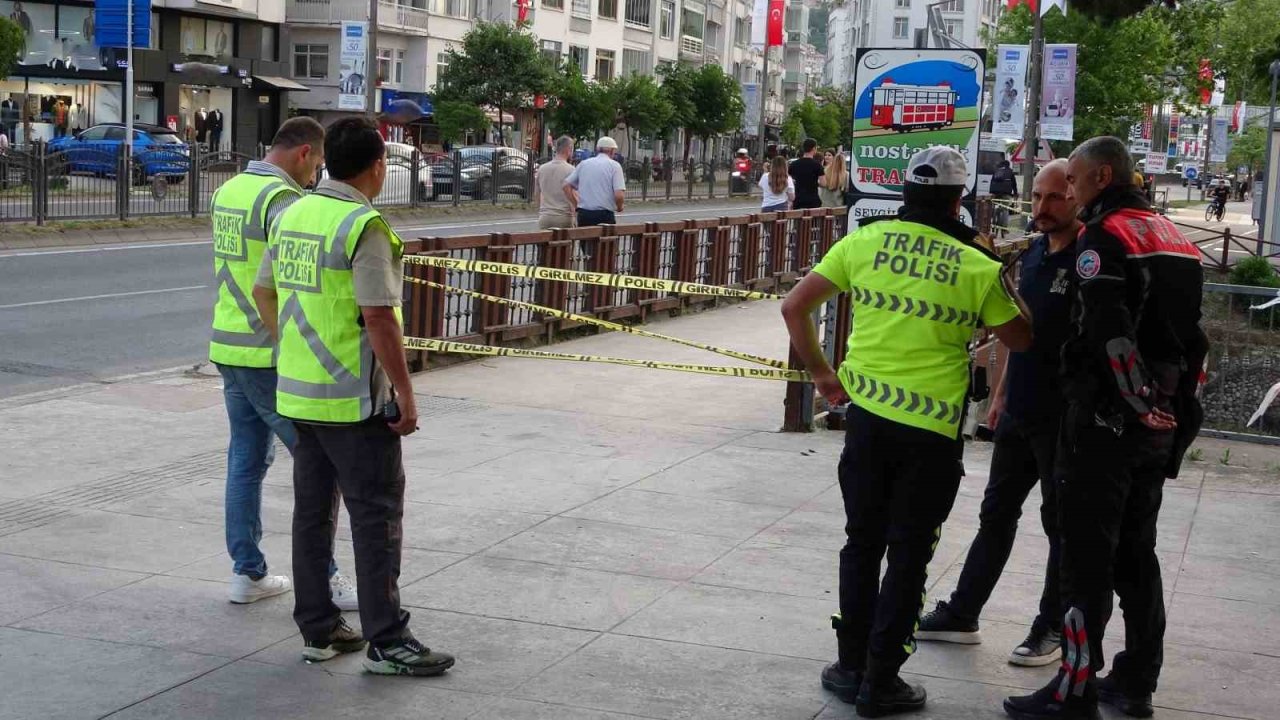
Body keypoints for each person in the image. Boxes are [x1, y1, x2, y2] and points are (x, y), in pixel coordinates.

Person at [782, 147, 1033, 718]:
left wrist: (823, 376)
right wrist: (996, 270)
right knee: (910, 554)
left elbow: (795, 307)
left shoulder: (863, 242)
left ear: (904, 193)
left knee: (862, 542)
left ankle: (849, 666)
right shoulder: (974, 263)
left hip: (867, 422)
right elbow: (1022, 339)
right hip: (931, 434)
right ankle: (881, 681)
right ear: (957, 198)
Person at [1003, 137, 1206, 720]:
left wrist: (1136, 401)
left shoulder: (1105, 235)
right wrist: (1171, 410)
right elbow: (1196, 340)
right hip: (1160, 420)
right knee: (1137, 552)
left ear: (1102, 176)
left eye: (1077, 180)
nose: (1071, 190)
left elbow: (1109, 332)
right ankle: (1137, 679)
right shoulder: (1176, 239)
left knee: (1085, 556)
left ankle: (1074, 688)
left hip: (1106, 421)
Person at [253, 117, 455, 676]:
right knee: (376, 517)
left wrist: (292, 347)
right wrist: (405, 393)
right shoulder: (364, 226)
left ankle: (319, 630)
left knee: (312, 516)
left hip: (298, 396)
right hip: (352, 402)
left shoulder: (294, 213)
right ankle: (388, 640)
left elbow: (263, 289)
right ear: (376, 167)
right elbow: (378, 317)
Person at [916, 159, 1081, 667]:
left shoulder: (1090, 260)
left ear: (1076, 197)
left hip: (1066, 416)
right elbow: (1012, 334)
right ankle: (963, 612)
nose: (1041, 208)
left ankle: (1051, 626)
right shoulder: (1030, 256)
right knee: (996, 515)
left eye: (1054, 198)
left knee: (1061, 526)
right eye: (1035, 198)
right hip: (1020, 411)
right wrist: (1000, 397)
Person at [208, 117, 356, 610]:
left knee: (245, 463)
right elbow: (287, 280)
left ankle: (247, 572)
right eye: (317, 164)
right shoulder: (282, 201)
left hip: (229, 345)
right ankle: (327, 579)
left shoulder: (228, 190)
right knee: (319, 467)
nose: (317, 175)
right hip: (268, 351)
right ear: (303, 155)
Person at [565, 136, 625, 226]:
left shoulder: (584, 164)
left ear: (597, 149)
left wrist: (576, 204)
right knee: (606, 239)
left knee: (585, 239)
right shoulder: (615, 166)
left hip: (584, 214)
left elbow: (566, 185)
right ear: (612, 151)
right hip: (604, 215)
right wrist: (620, 207)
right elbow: (619, 195)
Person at [536, 135, 576, 230]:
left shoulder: (542, 169)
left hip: (545, 217)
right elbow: (574, 195)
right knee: (564, 244)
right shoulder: (571, 170)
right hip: (564, 217)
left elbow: (537, 194)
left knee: (544, 244)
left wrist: (542, 209)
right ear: (569, 149)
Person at [789, 138, 825, 210]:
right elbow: (823, 183)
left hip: (798, 199)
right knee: (813, 221)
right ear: (814, 148)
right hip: (813, 200)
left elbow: (789, 180)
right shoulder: (817, 165)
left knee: (798, 220)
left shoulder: (794, 164)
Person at [991, 160, 1019, 236]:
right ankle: (1004, 229)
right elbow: (1014, 184)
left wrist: (992, 192)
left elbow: (992, 182)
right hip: (1006, 193)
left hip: (995, 193)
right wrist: (1015, 193)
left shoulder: (997, 171)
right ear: (1008, 165)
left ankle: (993, 223)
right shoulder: (1010, 172)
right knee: (1005, 209)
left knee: (994, 207)